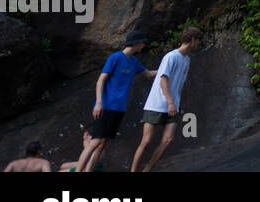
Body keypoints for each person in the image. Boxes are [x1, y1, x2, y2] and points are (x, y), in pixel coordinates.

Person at [78, 30, 155, 172]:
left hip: (119, 108)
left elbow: (148, 74)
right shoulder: (116, 57)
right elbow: (101, 79)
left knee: (102, 144)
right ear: (137, 43)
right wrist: (99, 102)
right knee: (95, 142)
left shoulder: (134, 62)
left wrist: (167, 69)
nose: (144, 45)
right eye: (143, 42)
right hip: (107, 105)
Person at [130, 27, 201, 172]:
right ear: (193, 40)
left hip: (173, 105)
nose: (199, 44)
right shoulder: (171, 56)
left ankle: (147, 170)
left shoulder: (187, 60)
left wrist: (174, 103)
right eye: (199, 40)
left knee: (168, 140)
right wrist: (170, 102)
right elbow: (163, 81)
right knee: (146, 141)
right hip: (157, 104)